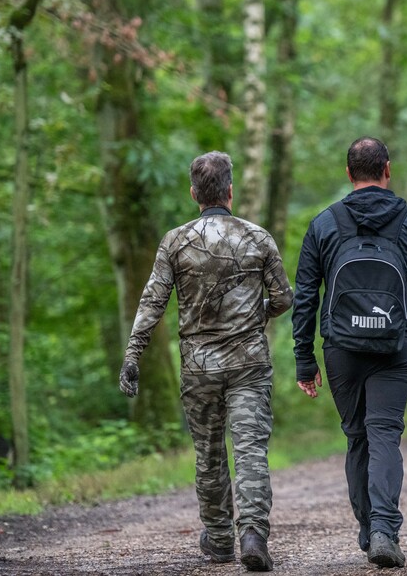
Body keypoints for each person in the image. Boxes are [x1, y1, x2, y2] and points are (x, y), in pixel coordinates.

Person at [118, 151, 293, 572]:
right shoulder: (257, 238)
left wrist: (132, 355)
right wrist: (259, 313)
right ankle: (252, 533)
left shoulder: (175, 241)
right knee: (250, 447)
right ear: (230, 191)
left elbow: (152, 302)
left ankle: (218, 540)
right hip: (249, 363)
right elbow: (285, 298)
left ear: (194, 193)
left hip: (199, 368)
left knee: (209, 453)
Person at [292, 136, 407, 568]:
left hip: (341, 346)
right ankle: (384, 530)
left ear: (348, 173)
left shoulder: (324, 223)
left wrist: (304, 359)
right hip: (398, 343)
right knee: (384, 433)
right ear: (388, 170)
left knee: (357, 436)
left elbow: (305, 295)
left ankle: (369, 529)